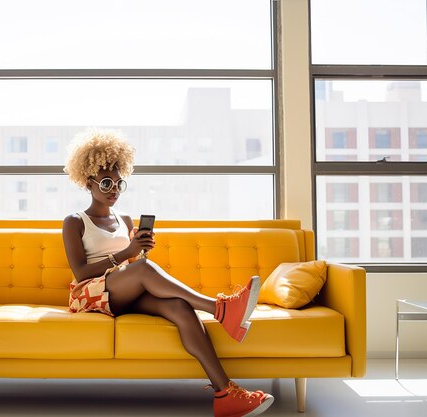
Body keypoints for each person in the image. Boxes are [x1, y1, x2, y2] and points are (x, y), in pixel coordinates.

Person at [62, 128, 274, 417]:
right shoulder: (75, 222)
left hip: (121, 290)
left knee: (180, 307)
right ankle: (220, 309)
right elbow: (82, 271)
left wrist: (139, 249)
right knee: (144, 268)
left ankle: (225, 393)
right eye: (106, 183)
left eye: (118, 184)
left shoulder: (124, 219)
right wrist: (128, 254)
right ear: (89, 182)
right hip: (88, 295)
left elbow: (131, 264)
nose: (113, 190)